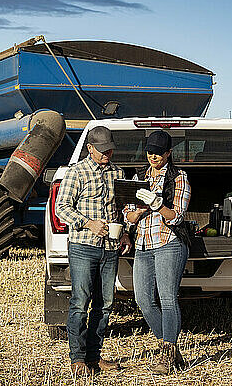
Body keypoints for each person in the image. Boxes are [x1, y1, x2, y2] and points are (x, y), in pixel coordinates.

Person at [55, 126, 132, 376]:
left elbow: (122, 207)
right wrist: (88, 223)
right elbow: (61, 208)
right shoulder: (76, 173)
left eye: (110, 149)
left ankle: (94, 356)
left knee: (105, 304)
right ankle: (77, 359)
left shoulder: (118, 173)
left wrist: (126, 232)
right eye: (102, 150)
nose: (107, 153)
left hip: (110, 248)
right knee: (80, 302)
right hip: (83, 247)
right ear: (90, 148)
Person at [123, 130, 191, 375]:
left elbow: (178, 217)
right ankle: (171, 347)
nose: (154, 156)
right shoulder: (138, 177)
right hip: (142, 245)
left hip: (169, 244)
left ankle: (166, 355)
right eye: (150, 151)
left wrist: (158, 204)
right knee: (143, 300)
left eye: (159, 153)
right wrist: (140, 211)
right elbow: (128, 215)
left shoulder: (178, 177)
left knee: (167, 299)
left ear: (168, 153)